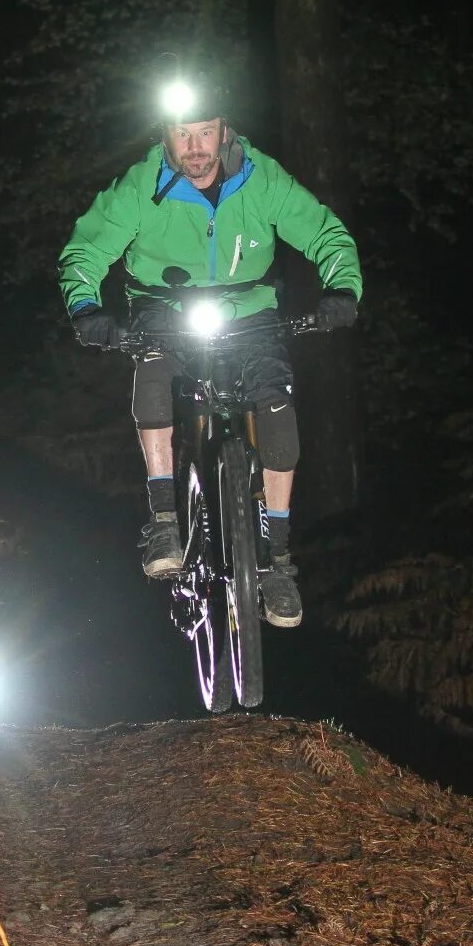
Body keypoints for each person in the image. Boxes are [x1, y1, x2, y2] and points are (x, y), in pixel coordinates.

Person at [57, 75, 362, 628]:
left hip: (249, 310)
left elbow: (325, 233)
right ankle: (165, 519)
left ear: (225, 132)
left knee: (276, 402)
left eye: (205, 132)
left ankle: (277, 559)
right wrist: (86, 308)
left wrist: (342, 290)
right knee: (151, 369)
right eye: (182, 135)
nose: (195, 148)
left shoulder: (260, 177)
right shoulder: (141, 185)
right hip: (163, 307)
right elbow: (86, 249)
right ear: (166, 138)